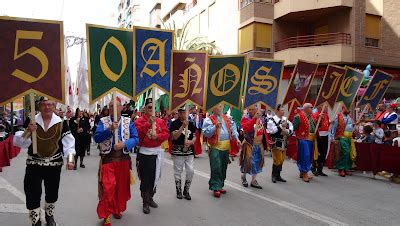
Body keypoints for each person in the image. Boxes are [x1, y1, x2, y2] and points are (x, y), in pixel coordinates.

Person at [13, 97, 75, 226]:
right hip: (34, 164)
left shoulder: (62, 123)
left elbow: (69, 143)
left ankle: (49, 216)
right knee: (32, 193)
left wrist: (70, 160)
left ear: (54, 106)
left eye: (50, 104)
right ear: (39, 106)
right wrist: (28, 131)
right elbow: (19, 143)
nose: (47, 107)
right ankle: (35, 221)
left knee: (52, 192)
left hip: (54, 164)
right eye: (44, 105)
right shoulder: (31, 121)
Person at [94, 100, 138, 226]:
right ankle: (106, 214)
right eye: (111, 106)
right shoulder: (103, 121)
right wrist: (109, 130)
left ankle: (116, 209)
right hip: (108, 159)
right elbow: (96, 137)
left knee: (120, 188)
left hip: (123, 159)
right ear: (108, 108)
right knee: (108, 187)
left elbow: (136, 138)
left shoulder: (128, 121)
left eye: (116, 106)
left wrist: (124, 144)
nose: (113, 108)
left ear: (121, 108)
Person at [134, 98, 169, 214]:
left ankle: (151, 197)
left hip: (157, 153)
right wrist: (148, 124)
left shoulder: (160, 121)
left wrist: (157, 137)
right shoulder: (139, 121)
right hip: (145, 154)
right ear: (144, 109)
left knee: (155, 177)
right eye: (149, 107)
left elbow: (166, 134)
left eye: (153, 107)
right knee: (146, 179)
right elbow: (137, 135)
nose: (152, 109)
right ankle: (145, 201)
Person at [202, 104, 240, 197]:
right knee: (216, 167)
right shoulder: (209, 119)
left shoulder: (227, 118)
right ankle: (215, 187)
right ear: (213, 108)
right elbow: (206, 133)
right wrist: (215, 127)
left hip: (226, 146)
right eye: (218, 106)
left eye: (221, 106)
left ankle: (220, 184)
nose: (220, 108)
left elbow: (233, 128)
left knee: (223, 167)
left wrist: (237, 138)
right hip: (215, 146)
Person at [169, 107, 196, 200]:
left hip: (189, 151)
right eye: (184, 113)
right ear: (179, 113)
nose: (186, 115)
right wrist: (182, 127)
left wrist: (191, 142)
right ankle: (179, 190)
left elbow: (195, 136)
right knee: (178, 171)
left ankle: (186, 190)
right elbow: (174, 137)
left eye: (187, 112)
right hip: (178, 151)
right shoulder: (174, 123)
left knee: (191, 171)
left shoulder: (191, 123)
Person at [240, 105, 265, 188]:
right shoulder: (245, 118)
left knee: (257, 162)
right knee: (247, 162)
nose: (250, 111)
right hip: (249, 143)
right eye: (249, 109)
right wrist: (254, 118)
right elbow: (246, 128)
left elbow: (263, 131)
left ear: (256, 109)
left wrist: (267, 143)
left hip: (258, 144)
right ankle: (243, 177)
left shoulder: (261, 118)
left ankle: (254, 180)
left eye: (252, 109)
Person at [267, 104, 293, 183]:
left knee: (282, 159)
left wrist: (287, 131)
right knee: (277, 159)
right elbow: (271, 131)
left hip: (284, 142)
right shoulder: (272, 120)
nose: (283, 112)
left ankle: (278, 175)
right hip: (276, 142)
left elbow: (291, 128)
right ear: (277, 111)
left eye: (283, 110)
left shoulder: (286, 119)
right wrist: (281, 126)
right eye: (281, 110)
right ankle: (274, 175)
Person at [292, 103, 316, 183]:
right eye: (311, 107)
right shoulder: (298, 117)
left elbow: (313, 128)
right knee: (305, 155)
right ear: (305, 109)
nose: (312, 109)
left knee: (309, 156)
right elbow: (293, 128)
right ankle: (304, 172)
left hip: (311, 139)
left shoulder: (311, 118)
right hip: (303, 139)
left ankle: (303, 172)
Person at [331, 107, 355, 177]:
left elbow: (351, 127)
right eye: (347, 108)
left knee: (349, 153)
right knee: (345, 152)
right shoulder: (338, 116)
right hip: (342, 137)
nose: (349, 110)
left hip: (349, 138)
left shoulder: (350, 117)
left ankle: (346, 168)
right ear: (343, 108)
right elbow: (334, 127)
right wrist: (332, 136)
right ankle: (341, 169)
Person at [311, 106, 330, 177]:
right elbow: (312, 124)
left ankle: (320, 170)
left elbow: (327, 124)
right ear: (320, 107)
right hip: (319, 135)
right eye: (325, 106)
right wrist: (317, 118)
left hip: (326, 135)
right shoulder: (316, 114)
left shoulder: (326, 114)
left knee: (323, 153)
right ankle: (313, 168)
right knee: (317, 152)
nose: (327, 108)